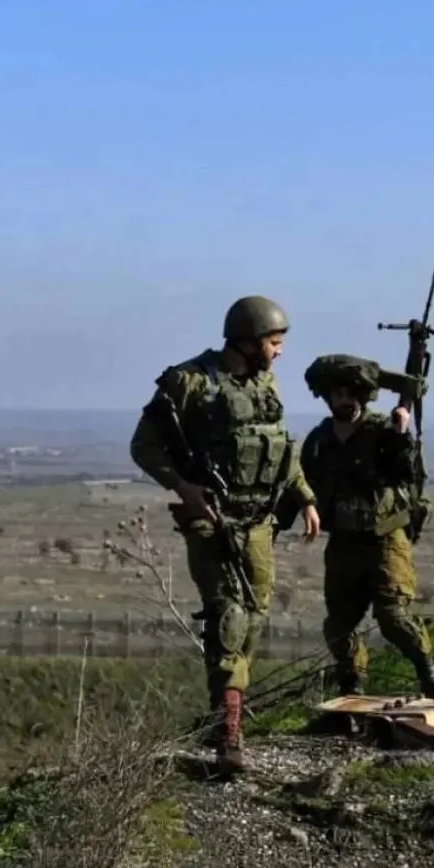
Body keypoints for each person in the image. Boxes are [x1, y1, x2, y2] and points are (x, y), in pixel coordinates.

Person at [129, 295, 321, 773]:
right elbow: (144, 446)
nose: (279, 352)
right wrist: (183, 487)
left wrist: (305, 496)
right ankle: (228, 735)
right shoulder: (190, 382)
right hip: (212, 519)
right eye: (274, 342)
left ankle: (225, 705)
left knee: (253, 618)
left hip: (259, 522)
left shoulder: (264, 384)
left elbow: (281, 447)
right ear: (248, 341)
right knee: (229, 617)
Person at [300, 354, 434, 699]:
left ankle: (431, 672)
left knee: (393, 616)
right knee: (338, 625)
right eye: (338, 394)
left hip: (384, 539)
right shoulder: (319, 440)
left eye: (352, 393)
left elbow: (405, 473)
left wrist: (400, 433)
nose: (345, 400)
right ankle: (352, 685)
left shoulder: (382, 431)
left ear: (364, 396)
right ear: (327, 398)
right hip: (343, 543)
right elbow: (302, 483)